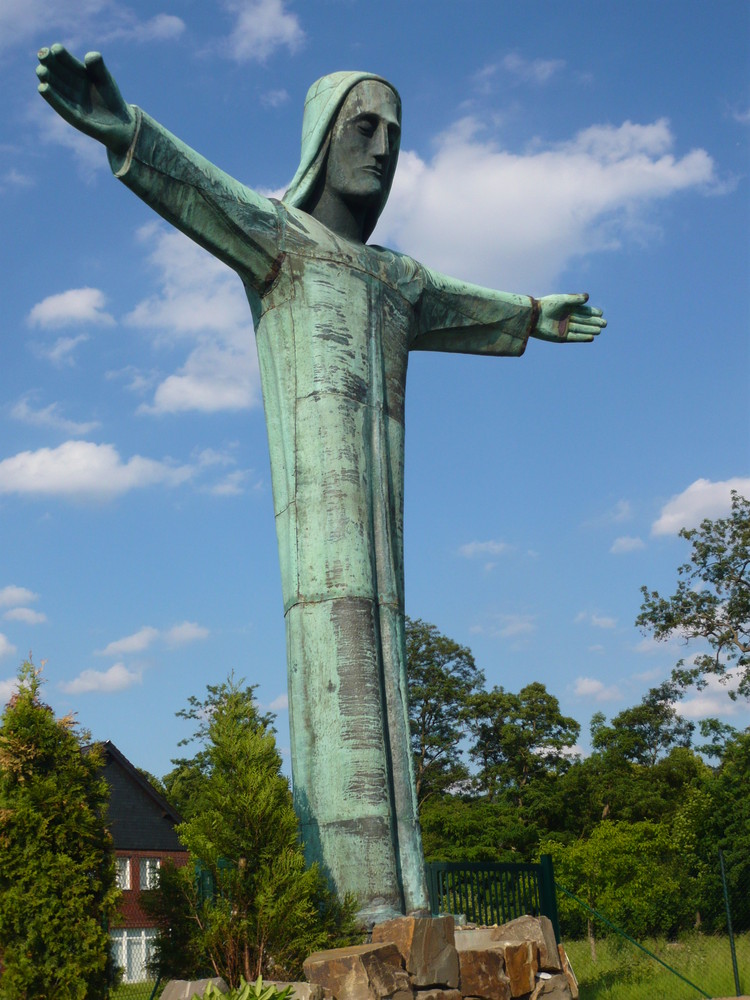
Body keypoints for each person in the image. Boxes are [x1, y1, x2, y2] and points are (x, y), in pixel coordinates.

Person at [36, 45, 606, 924]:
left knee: (384, 653)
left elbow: (463, 301)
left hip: (385, 517)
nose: (381, 149)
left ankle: (403, 894)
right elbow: (201, 187)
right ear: (321, 138)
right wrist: (127, 131)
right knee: (340, 641)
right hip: (321, 515)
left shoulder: (397, 278)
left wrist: (532, 313)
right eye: (363, 127)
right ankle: (356, 901)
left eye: (394, 135)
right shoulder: (280, 239)